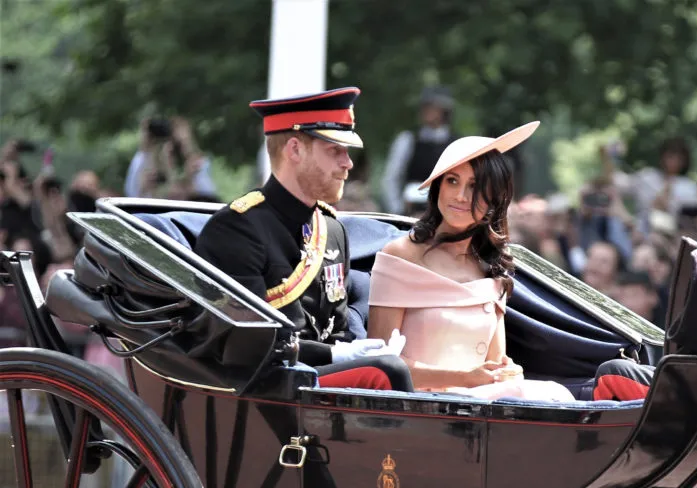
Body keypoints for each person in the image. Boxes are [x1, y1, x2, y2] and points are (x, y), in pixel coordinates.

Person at [368, 124, 654, 402]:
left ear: (494, 199)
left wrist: (503, 373)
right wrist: (465, 377)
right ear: (438, 187)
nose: (460, 196)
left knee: (566, 394)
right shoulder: (401, 255)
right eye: (452, 181)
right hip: (418, 408)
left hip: (483, 405)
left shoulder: (491, 267)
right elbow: (379, 368)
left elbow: (496, 362)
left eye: (474, 186)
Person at [195, 87, 412, 391]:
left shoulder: (331, 229)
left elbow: (336, 328)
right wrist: (335, 354)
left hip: (316, 384)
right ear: (295, 150)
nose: (348, 163)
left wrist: (355, 348)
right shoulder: (236, 229)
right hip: (269, 386)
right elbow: (246, 343)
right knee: (387, 373)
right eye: (335, 150)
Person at [382, 85, 457, 216]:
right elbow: (391, 178)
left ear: (444, 111)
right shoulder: (407, 140)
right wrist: (398, 210)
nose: (426, 111)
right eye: (425, 106)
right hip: (412, 212)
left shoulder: (456, 144)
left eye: (432, 107)